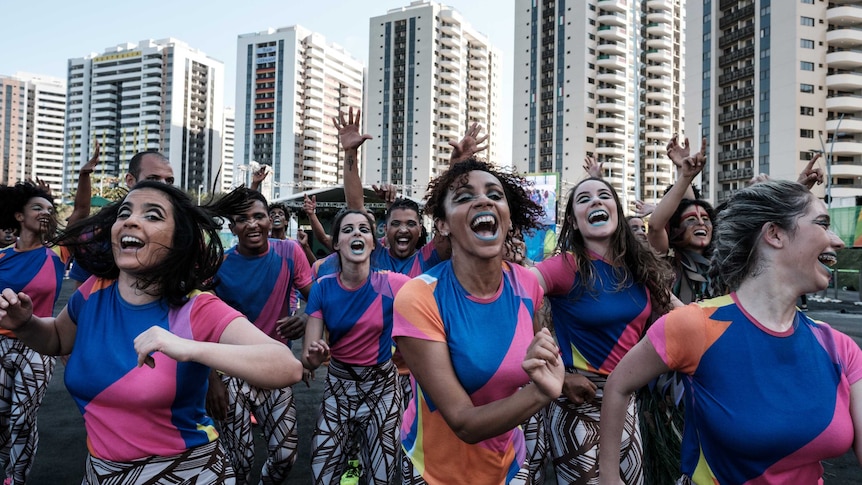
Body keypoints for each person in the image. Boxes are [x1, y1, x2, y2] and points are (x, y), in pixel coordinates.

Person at [0, 182, 303, 483]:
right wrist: (26, 324)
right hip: (100, 473)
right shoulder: (94, 291)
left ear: (178, 240)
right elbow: (56, 339)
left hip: (187, 473)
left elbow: (286, 366)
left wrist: (189, 347)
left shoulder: (196, 307)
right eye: (124, 213)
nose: (130, 220)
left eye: (153, 215)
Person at [599, 179, 862, 484]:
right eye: (823, 224)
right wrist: (609, 476)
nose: (838, 241)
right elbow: (618, 385)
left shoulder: (841, 348)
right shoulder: (694, 325)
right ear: (774, 234)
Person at [393, 158, 564, 484]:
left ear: (508, 218)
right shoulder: (418, 297)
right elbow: (464, 423)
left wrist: (549, 365)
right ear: (443, 225)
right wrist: (541, 393)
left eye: (494, 195)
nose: (484, 201)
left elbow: (536, 359)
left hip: (508, 464)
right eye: (464, 197)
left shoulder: (527, 286)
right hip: (435, 471)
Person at [530, 177, 675, 484]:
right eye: (583, 199)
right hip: (579, 405)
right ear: (573, 220)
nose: (595, 201)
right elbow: (514, 298)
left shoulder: (640, 266)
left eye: (603, 195)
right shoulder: (564, 266)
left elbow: (680, 315)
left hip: (627, 403)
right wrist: (558, 374)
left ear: (616, 210)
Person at [208, 188, 314, 484]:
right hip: (231, 368)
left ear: (270, 220)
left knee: (285, 456)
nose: (252, 224)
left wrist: (306, 319)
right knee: (238, 461)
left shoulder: (290, 252)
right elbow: (196, 325)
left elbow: (319, 298)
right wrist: (210, 379)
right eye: (243, 219)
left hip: (273, 366)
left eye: (259, 216)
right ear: (232, 228)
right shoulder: (219, 265)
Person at [302, 209, 410, 484]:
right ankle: (352, 468)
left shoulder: (393, 284)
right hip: (338, 388)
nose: (357, 233)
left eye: (364, 229)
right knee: (322, 474)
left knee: (381, 476)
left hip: (382, 389)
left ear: (374, 242)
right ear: (336, 243)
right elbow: (309, 357)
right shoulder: (322, 288)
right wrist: (315, 356)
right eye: (347, 229)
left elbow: (438, 297)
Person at [0, 182, 64, 485]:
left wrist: (84, 176)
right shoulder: (1, 257)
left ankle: (15, 478)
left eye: (49, 209)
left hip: (37, 346)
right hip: (0, 343)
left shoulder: (58, 253)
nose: (44, 213)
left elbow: (79, 211)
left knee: (22, 416)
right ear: (18, 216)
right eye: (37, 207)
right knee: (1, 416)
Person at [68, 149, 175, 288]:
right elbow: (81, 295)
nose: (163, 185)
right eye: (153, 178)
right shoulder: (99, 233)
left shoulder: (183, 229)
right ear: (130, 180)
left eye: (169, 180)